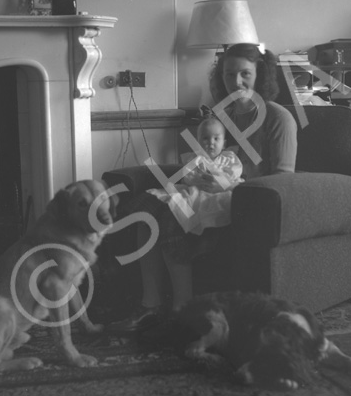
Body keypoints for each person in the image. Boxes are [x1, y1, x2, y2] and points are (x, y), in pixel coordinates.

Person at [109, 43, 298, 332]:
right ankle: (150, 305)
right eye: (228, 74)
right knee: (150, 209)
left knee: (171, 215)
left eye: (245, 74)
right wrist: (196, 177)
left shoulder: (277, 119)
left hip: (252, 206)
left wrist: (230, 185)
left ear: (262, 76)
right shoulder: (223, 119)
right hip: (209, 196)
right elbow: (205, 160)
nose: (236, 82)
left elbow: (284, 181)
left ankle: (181, 310)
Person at [147, 116, 244, 235]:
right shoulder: (195, 160)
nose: (211, 143)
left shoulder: (228, 159)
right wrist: (197, 179)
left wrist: (222, 177)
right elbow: (187, 177)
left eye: (216, 138)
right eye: (205, 138)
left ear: (224, 144)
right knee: (181, 198)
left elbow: (235, 173)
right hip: (199, 189)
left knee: (222, 202)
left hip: (224, 189)